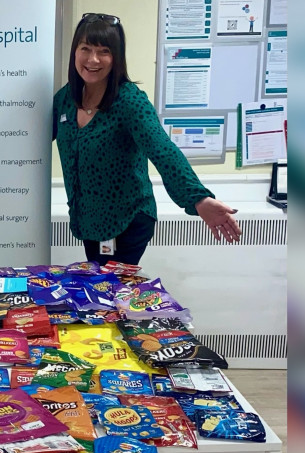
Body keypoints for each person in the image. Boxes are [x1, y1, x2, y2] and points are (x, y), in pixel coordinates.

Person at [53, 13, 242, 266]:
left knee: (112, 295)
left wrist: (198, 199)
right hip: (89, 221)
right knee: (100, 292)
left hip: (127, 220)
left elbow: (163, 151)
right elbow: (32, 141)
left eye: (104, 51)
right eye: (85, 48)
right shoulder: (65, 99)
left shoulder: (130, 102)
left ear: (116, 58)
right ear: (75, 51)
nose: (93, 59)